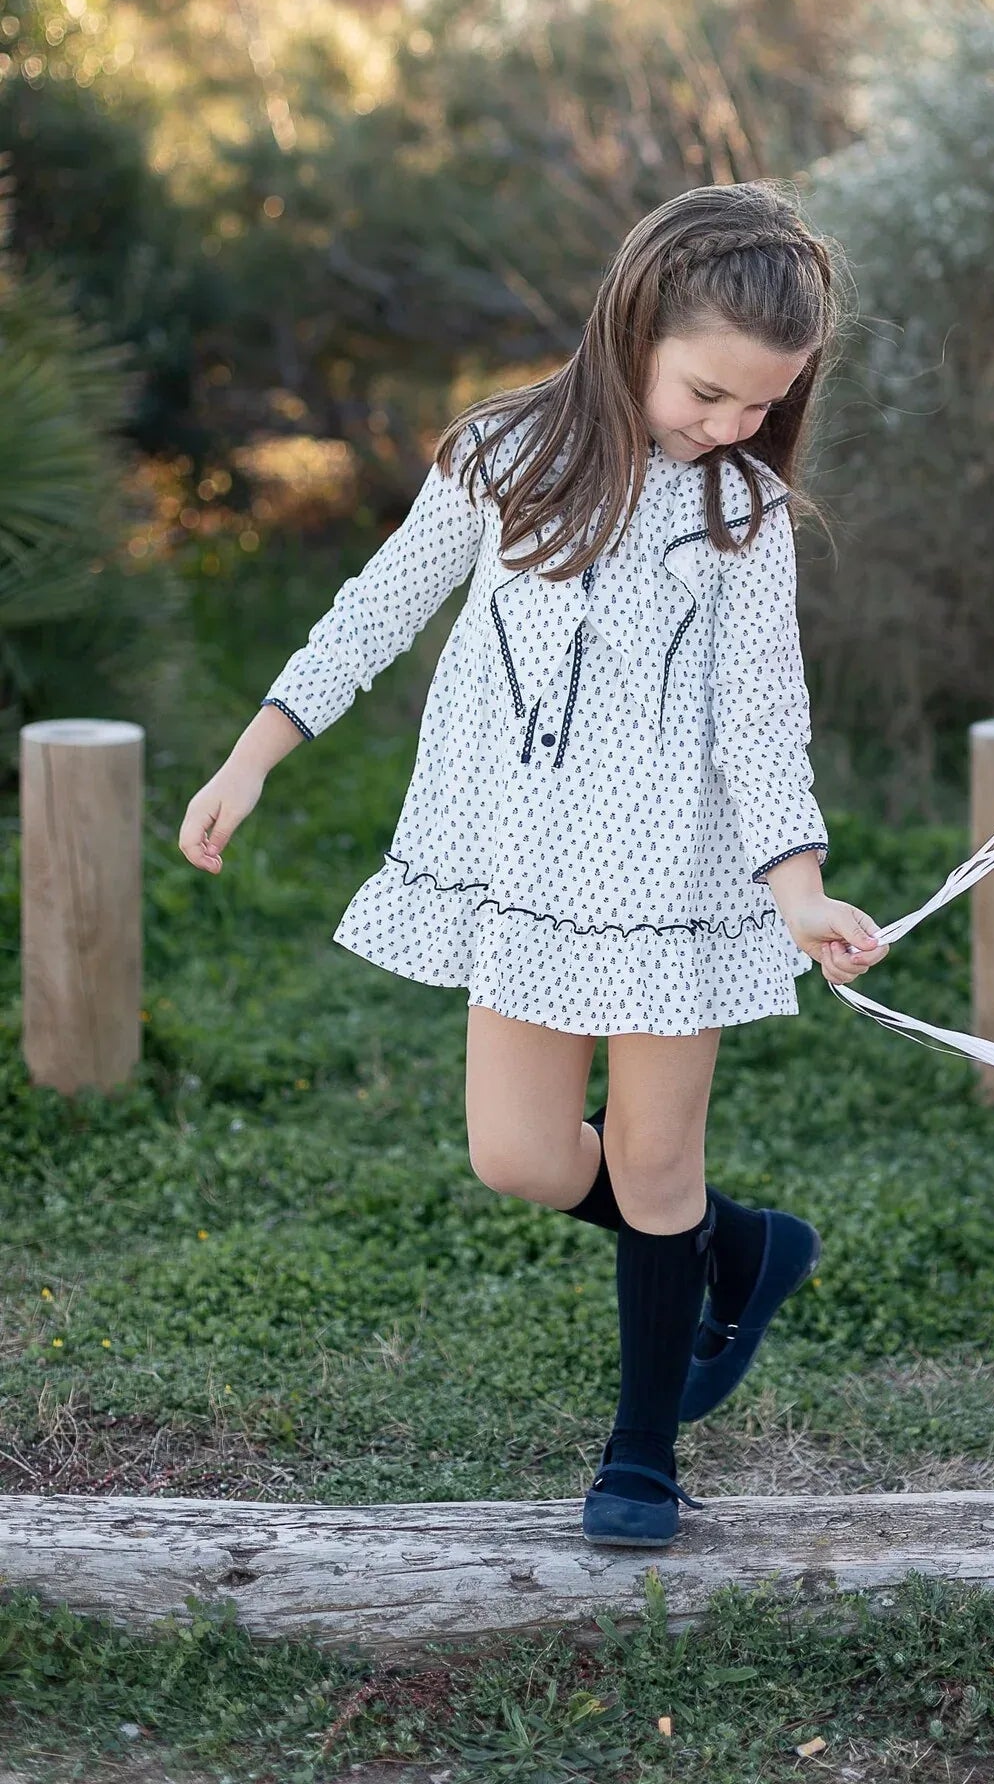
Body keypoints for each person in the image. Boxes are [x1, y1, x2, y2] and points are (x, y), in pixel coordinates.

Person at [178, 179, 889, 1547]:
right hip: (524, 870)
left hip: (679, 881)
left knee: (654, 1161)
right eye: (709, 392)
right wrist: (254, 753)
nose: (734, 425)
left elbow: (760, 715)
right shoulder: (501, 455)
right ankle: (747, 1252)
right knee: (515, 1156)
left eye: (764, 404)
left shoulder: (740, 511)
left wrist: (794, 888)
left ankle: (641, 1457)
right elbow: (379, 604)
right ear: (633, 325)